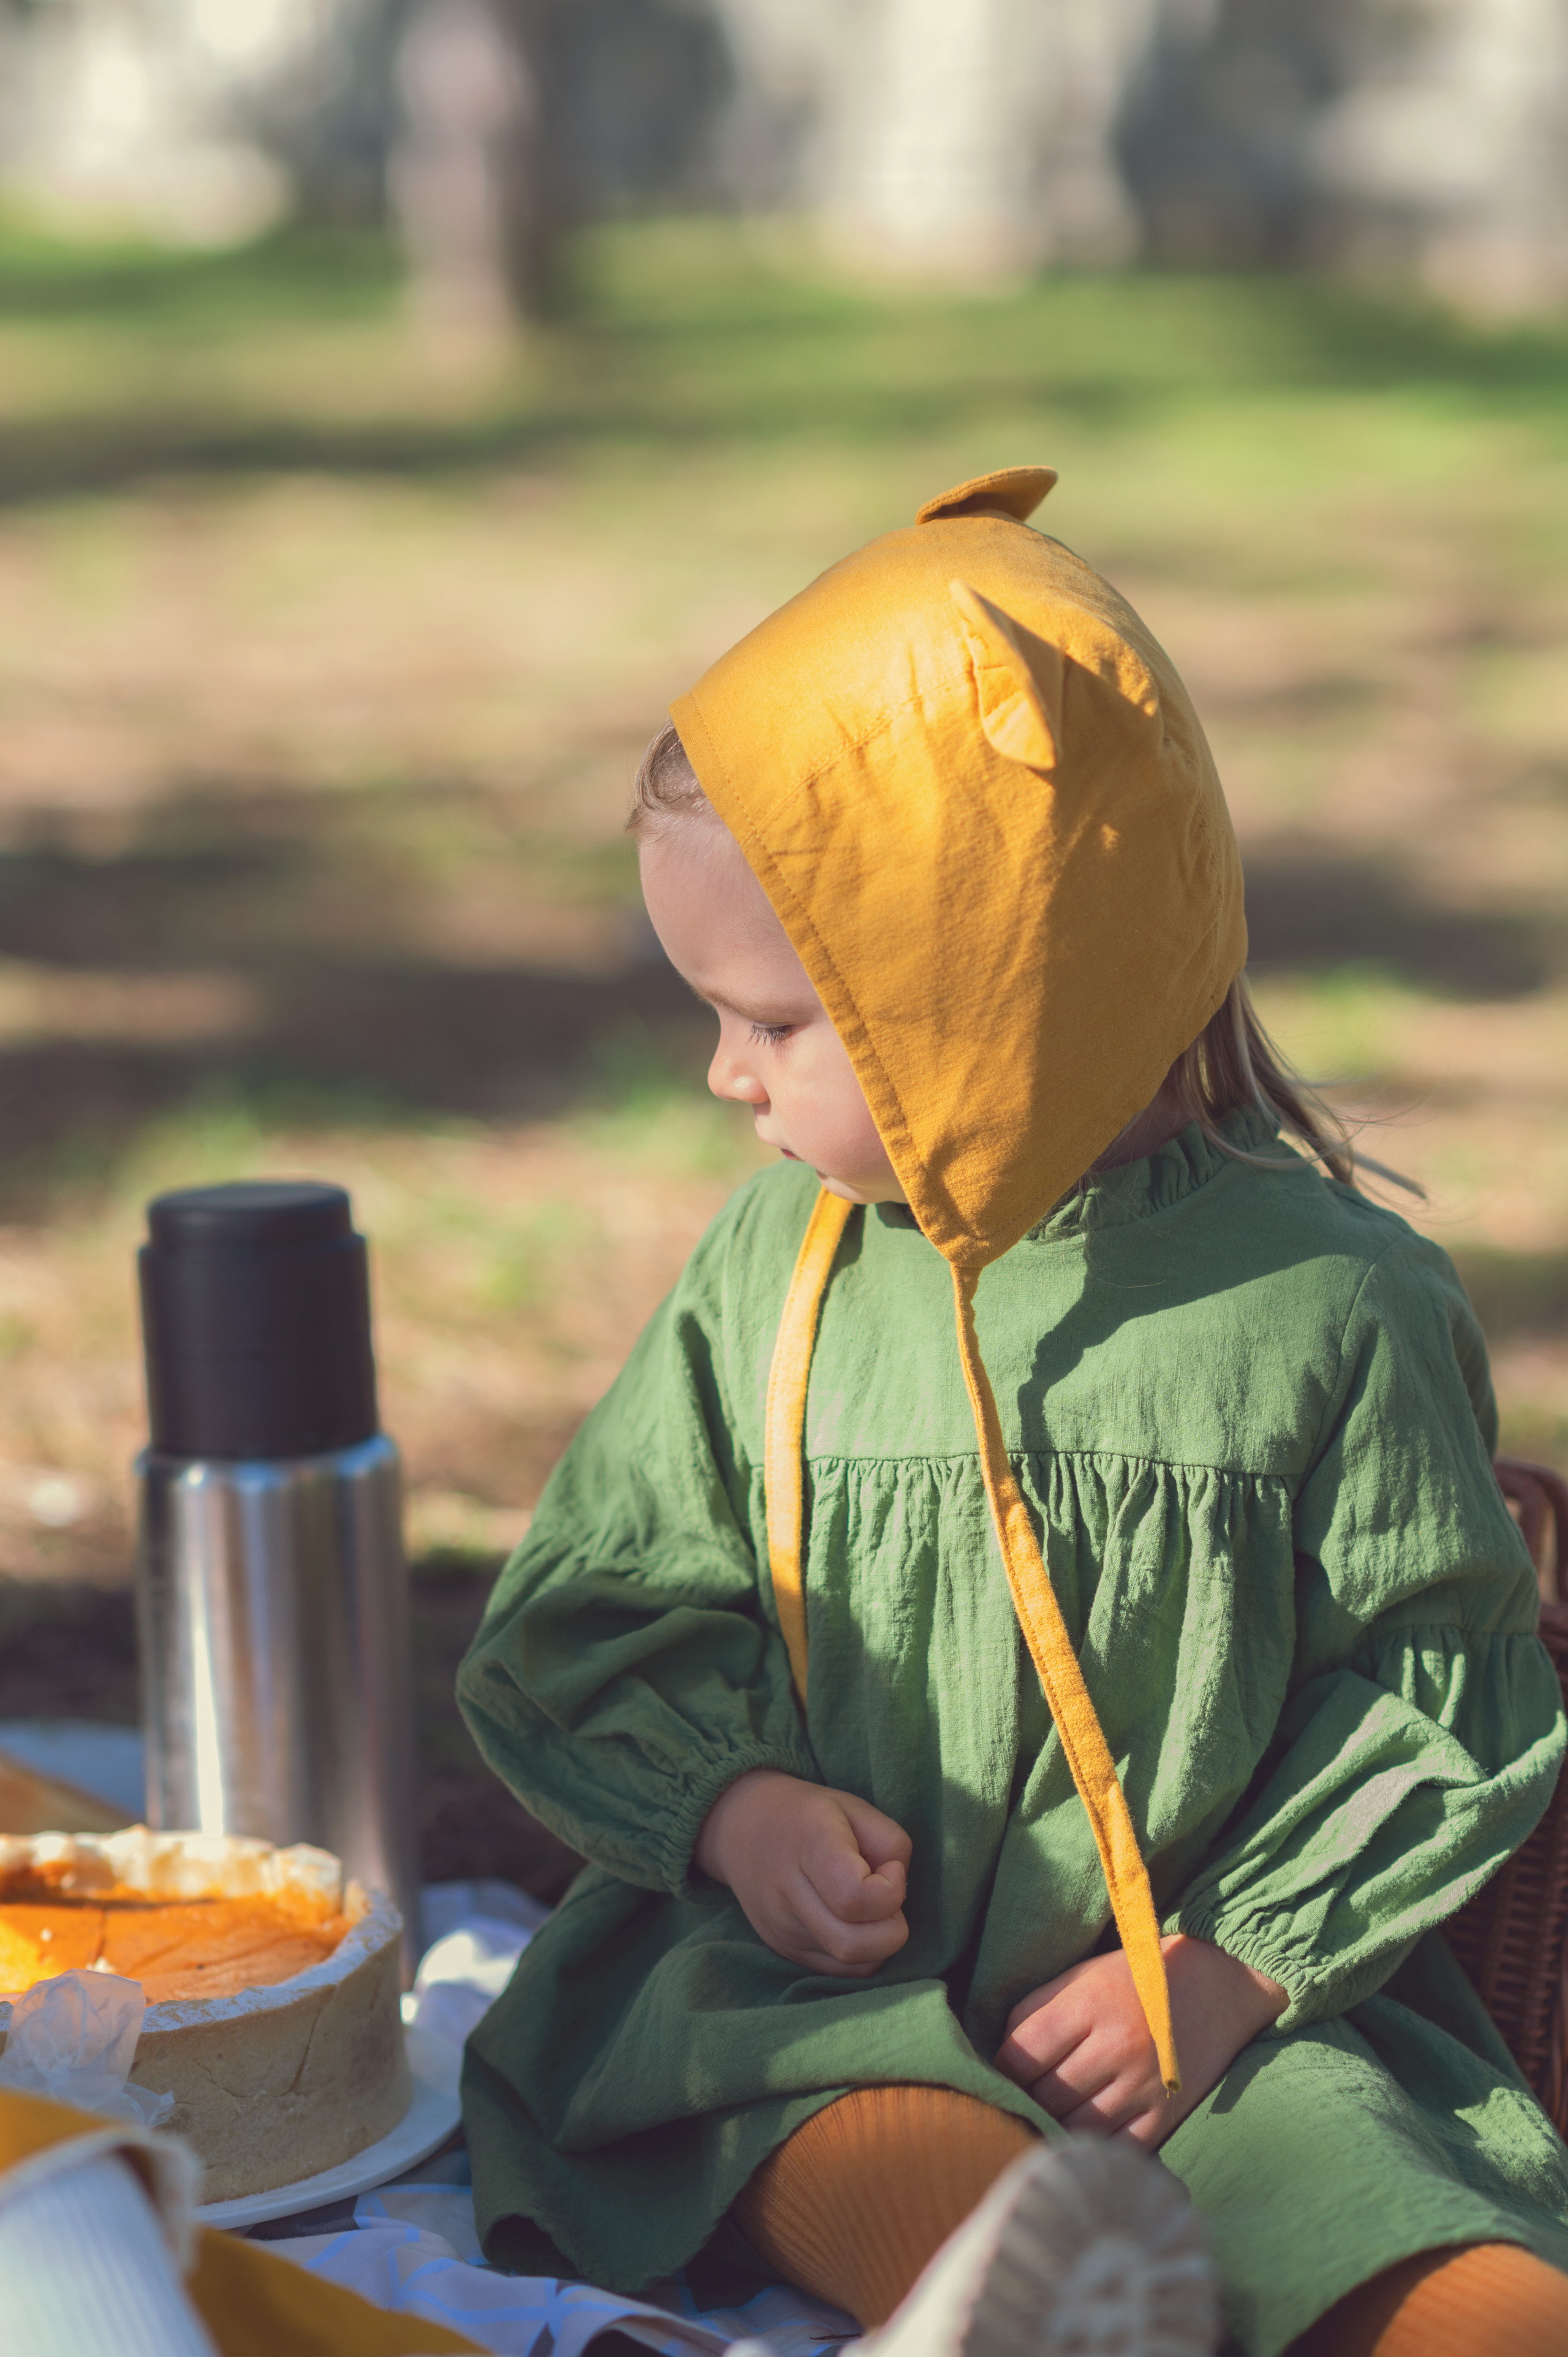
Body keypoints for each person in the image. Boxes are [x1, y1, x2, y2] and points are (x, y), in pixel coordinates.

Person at [456, 467, 1568, 2357]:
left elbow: (1437, 1688)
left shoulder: (1337, 1302)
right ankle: (1024, 2299)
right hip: (818, 2001)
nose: (724, 1074)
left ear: (995, 1001)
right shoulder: (783, 1267)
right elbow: (599, 1601)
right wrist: (741, 1815)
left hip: (1201, 2029)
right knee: (831, 2116)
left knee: (1393, 2216)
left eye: (778, 1022)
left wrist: (1231, 1968)